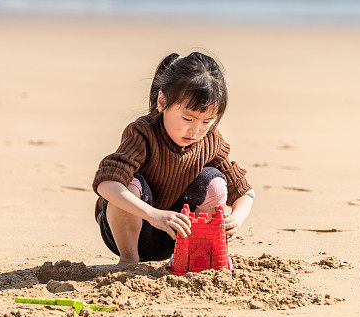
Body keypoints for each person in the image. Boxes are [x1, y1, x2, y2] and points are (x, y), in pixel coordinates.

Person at [91, 51, 255, 269]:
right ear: (162, 101)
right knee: (130, 183)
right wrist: (153, 215)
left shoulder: (210, 140)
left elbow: (244, 192)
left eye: (207, 121)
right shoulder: (143, 133)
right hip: (129, 232)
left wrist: (237, 218)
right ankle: (128, 261)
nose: (196, 130)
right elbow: (106, 185)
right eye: (187, 118)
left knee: (214, 181)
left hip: (177, 235)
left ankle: (197, 255)